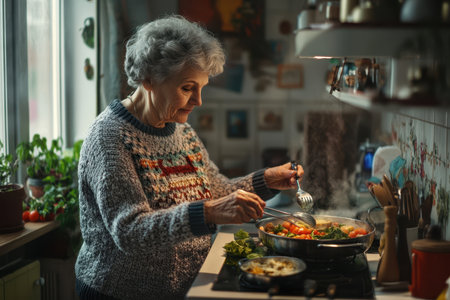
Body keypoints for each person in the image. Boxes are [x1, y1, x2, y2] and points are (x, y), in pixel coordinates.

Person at [75, 15, 304, 300]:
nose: (198, 101)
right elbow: (130, 232)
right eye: (187, 88)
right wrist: (206, 213)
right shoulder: (108, 137)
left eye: (201, 87)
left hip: (182, 289)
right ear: (149, 79)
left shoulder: (180, 130)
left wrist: (266, 180)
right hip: (118, 292)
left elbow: (216, 191)